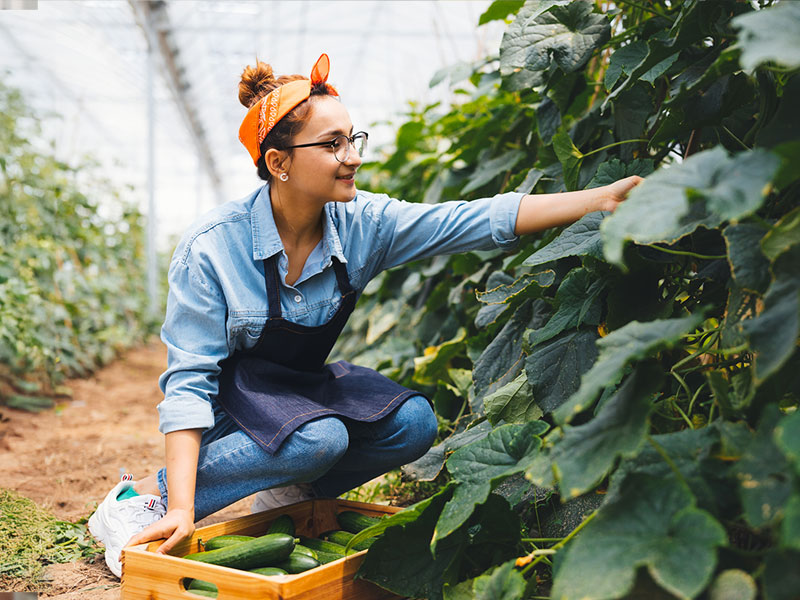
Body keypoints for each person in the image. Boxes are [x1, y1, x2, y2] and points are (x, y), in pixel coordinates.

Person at [87, 53, 642, 578]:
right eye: (332, 144)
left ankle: (291, 493)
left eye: (352, 138)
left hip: (294, 395)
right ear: (278, 163)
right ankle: (142, 499)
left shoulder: (364, 224)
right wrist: (183, 506)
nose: (353, 155)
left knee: (414, 423)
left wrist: (597, 200)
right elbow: (187, 384)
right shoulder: (212, 249)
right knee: (318, 439)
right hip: (230, 412)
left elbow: (470, 218)